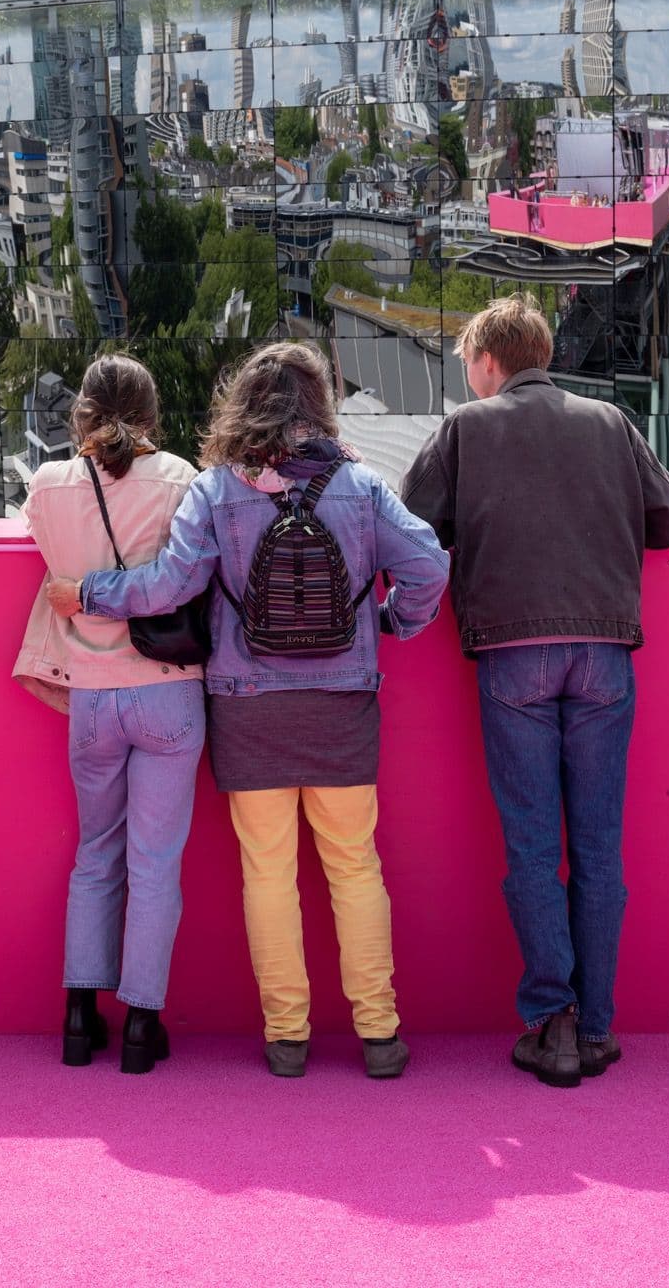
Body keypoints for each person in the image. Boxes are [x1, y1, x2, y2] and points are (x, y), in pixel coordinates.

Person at [46, 342, 448, 1080]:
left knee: (268, 873)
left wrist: (92, 592)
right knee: (355, 866)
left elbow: (168, 586)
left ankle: (287, 1037)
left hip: (247, 704)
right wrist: (391, 621)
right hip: (342, 704)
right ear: (318, 401)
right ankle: (380, 1033)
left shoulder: (215, 491)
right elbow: (428, 564)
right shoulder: (359, 484)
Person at [398, 296, 669, 1089]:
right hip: (604, 653)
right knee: (598, 847)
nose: (468, 378)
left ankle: (551, 1020)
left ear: (490, 360)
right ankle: (597, 1027)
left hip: (513, 653)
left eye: (467, 365)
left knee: (532, 847)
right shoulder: (609, 421)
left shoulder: (468, 429)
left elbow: (409, 528)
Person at [14, 354, 204, 1074]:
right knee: (155, 864)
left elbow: (39, 546)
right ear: (153, 412)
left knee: (96, 854)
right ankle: (140, 1026)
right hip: (166, 687)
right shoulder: (183, 481)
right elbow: (191, 574)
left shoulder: (49, 485)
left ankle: (76, 1016)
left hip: (89, 695)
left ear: (81, 413)